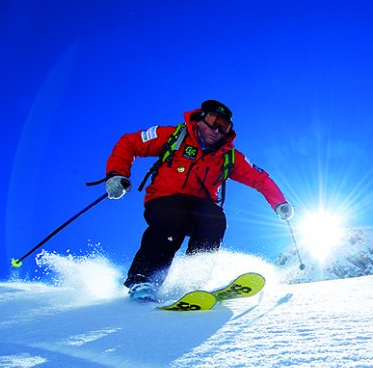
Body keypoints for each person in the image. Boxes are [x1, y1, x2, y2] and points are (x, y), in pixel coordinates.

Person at [102, 99, 293, 301]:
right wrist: (117, 174)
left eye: (224, 126)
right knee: (173, 221)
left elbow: (259, 178)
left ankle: (193, 281)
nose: (217, 130)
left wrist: (279, 202)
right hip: (164, 199)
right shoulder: (175, 136)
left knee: (214, 218)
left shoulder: (228, 156)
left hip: (200, 206)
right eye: (213, 121)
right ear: (200, 119)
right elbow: (130, 142)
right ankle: (143, 280)